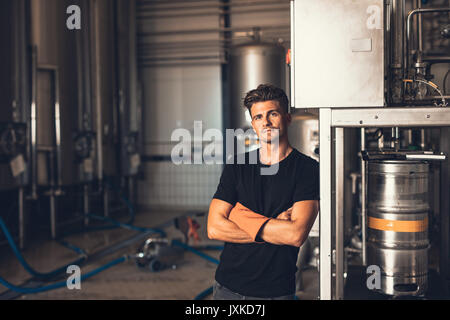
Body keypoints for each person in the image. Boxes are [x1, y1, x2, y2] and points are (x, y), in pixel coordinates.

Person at [207, 84, 320, 300]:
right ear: (253, 124)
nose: (265, 122)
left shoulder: (307, 169)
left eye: (273, 114)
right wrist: (273, 227)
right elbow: (214, 228)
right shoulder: (238, 165)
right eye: (258, 117)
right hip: (227, 287)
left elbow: (295, 235)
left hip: (274, 291)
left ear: (287, 118)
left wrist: (240, 217)